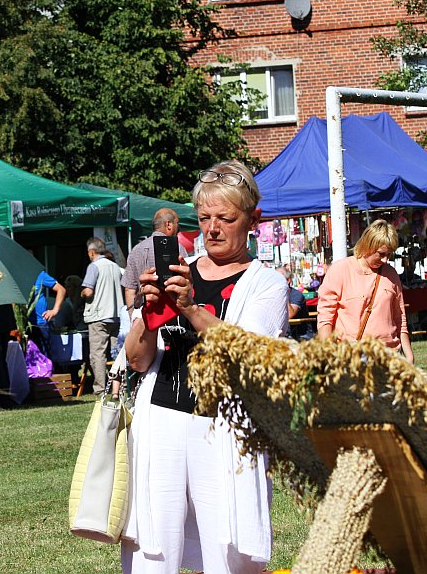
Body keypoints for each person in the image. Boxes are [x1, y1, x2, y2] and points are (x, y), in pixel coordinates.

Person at [121, 160, 288, 574]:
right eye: (205, 218)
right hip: (161, 419)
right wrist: (150, 313)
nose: (212, 228)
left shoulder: (266, 283)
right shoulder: (179, 274)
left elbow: (249, 353)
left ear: (253, 219)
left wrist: (191, 310)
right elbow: (137, 358)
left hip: (223, 431)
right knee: (153, 549)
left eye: (225, 218)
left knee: (226, 548)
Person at [316, 219, 414, 363]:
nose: (386, 260)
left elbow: (400, 318)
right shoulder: (340, 270)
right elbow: (325, 318)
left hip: (390, 354)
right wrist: (328, 354)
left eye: (389, 254)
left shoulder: (391, 274)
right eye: (381, 254)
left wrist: (409, 355)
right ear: (368, 246)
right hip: (352, 355)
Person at [81, 237, 123, 395]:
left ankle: (100, 389)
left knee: (98, 354)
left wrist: (82, 292)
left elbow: (89, 291)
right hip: (116, 315)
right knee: (116, 354)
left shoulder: (94, 267)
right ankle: (118, 388)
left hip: (98, 316)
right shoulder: (115, 267)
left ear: (91, 252)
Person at [121, 208, 183, 314]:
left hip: (145, 317)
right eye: (177, 223)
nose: (179, 228)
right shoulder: (177, 248)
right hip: (172, 317)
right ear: (169, 225)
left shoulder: (136, 249)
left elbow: (129, 289)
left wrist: (133, 317)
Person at [27, 269, 66, 348]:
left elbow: (61, 290)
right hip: (24, 325)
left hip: (40, 324)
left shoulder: (40, 275)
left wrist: (54, 310)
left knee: (43, 358)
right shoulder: (16, 276)